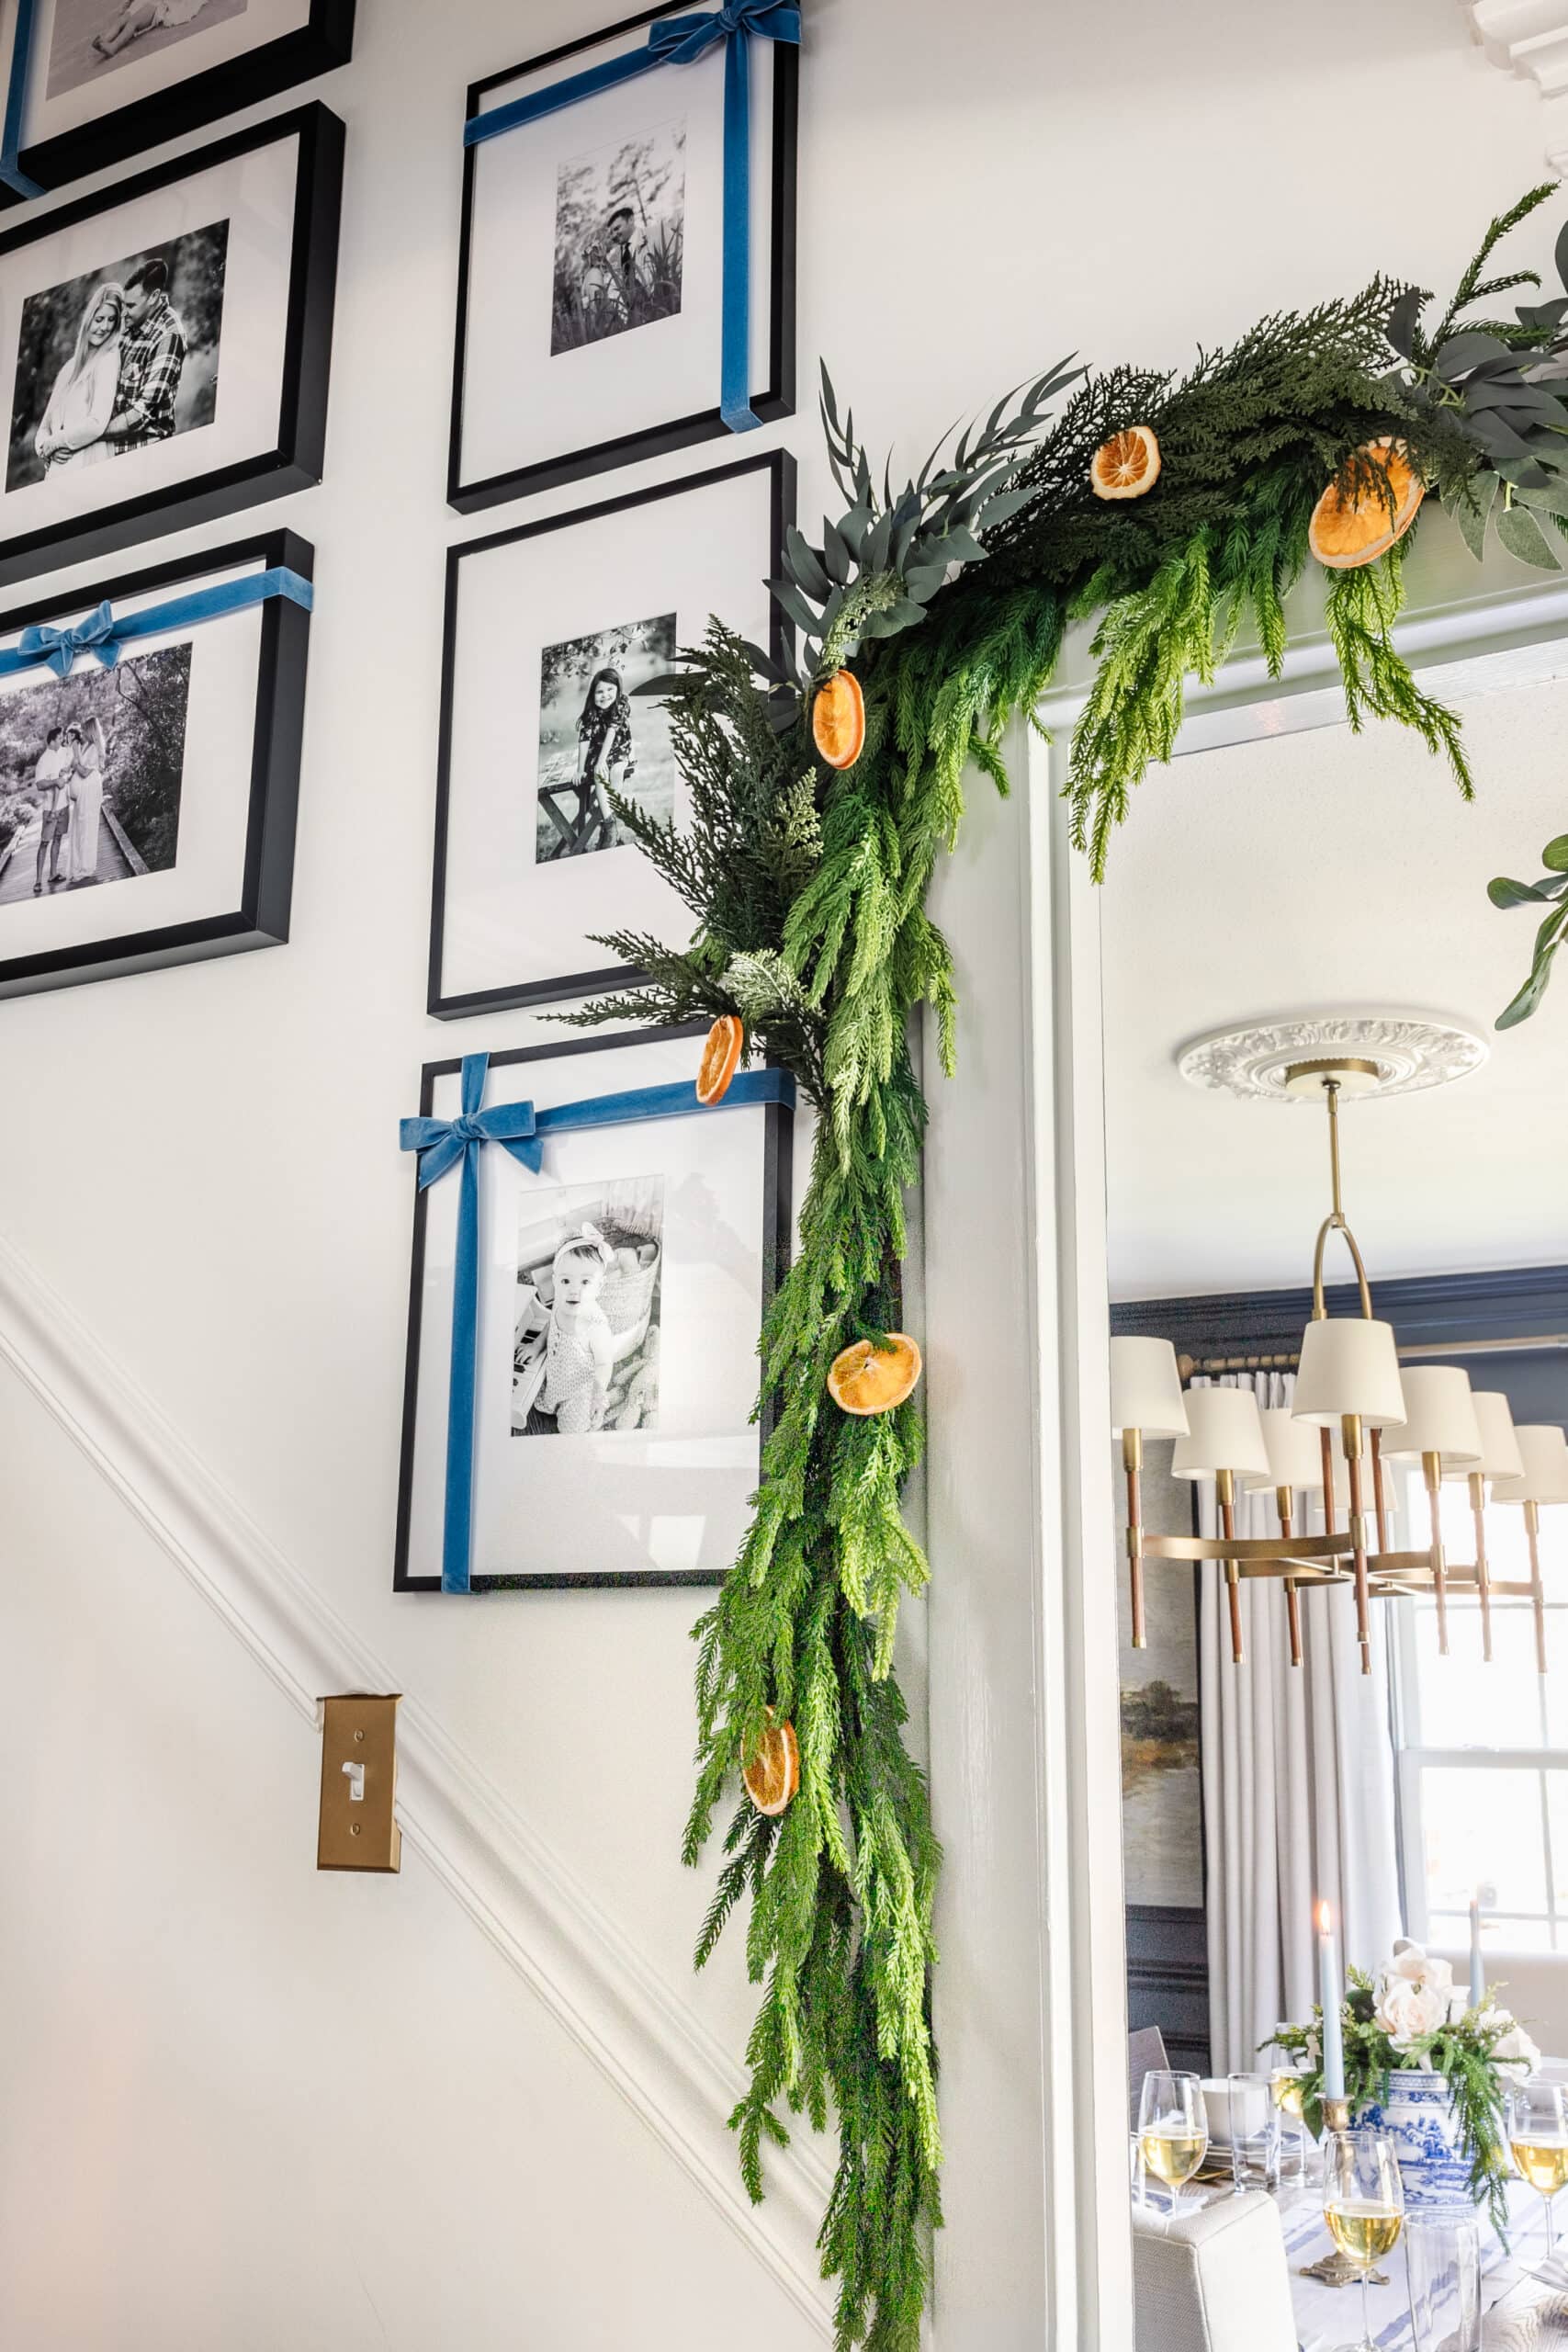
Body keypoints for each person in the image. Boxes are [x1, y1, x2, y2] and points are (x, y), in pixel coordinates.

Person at [34, 282, 125, 472]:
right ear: (88, 319)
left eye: (112, 320)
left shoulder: (108, 360)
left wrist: (57, 441)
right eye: (99, 319)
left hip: (87, 468)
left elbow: (97, 423)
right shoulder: (68, 369)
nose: (105, 327)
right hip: (56, 474)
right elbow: (43, 429)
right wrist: (46, 449)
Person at [101, 257, 186, 456]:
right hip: (109, 444)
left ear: (154, 297)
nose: (123, 313)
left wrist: (89, 436)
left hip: (144, 452)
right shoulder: (130, 321)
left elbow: (141, 414)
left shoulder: (169, 335)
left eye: (130, 306)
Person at [540, 1227, 616, 1434]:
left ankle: (594, 1420)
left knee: (572, 1432)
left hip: (581, 1391)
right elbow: (551, 1324)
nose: (575, 1290)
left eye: (586, 1281)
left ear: (600, 1286)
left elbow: (604, 1363)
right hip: (559, 1376)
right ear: (555, 1280)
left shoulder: (595, 1325)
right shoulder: (560, 1301)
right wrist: (535, 1345)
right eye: (566, 1280)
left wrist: (598, 1392)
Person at [571, 667, 635, 852]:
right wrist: (581, 769)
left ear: (618, 690)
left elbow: (612, 733)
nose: (605, 695)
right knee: (599, 776)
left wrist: (601, 762)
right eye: (600, 691)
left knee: (616, 771)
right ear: (593, 694)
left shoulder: (621, 703)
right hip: (598, 751)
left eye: (610, 690)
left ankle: (610, 818)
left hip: (619, 747)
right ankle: (609, 825)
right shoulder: (591, 712)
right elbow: (584, 740)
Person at [91, 0, 215, 62]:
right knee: (123, 19)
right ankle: (106, 38)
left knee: (133, 22)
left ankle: (113, 46)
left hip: (158, 4)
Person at [63, 717, 107, 888]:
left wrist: (74, 763)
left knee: (87, 828)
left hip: (90, 790)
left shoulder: (95, 748)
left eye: (84, 730)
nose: (81, 732)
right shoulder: (87, 745)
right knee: (80, 828)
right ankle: (78, 866)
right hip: (83, 793)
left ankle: (85, 869)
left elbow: (84, 772)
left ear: (90, 731)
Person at [31, 726, 68, 894]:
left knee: (58, 838)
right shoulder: (43, 760)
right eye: (60, 738)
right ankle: (38, 881)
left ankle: (53, 874)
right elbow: (39, 785)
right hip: (50, 809)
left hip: (63, 805)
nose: (62, 741)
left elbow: (72, 761)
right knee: (45, 843)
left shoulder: (63, 752)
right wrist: (55, 782)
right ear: (52, 741)